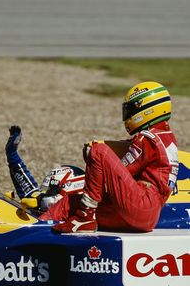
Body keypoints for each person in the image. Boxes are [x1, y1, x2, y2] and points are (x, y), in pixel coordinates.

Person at [47, 81, 179, 233]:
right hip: (146, 215)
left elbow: (120, 170)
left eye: (131, 109)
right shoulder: (166, 138)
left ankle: (84, 217)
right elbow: (127, 150)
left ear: (148, 110)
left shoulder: (147, 139)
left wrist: (93, 155)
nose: (127, 115)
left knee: (98, 151)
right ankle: (39, 225)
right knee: (70, 202)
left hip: (140, 205)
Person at [5, 126, 85, 213]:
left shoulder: (87, 219)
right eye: (46, 190)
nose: (44, 196)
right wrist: (11, 153)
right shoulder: (37, 200)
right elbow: (19, 172)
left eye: (51, 190)